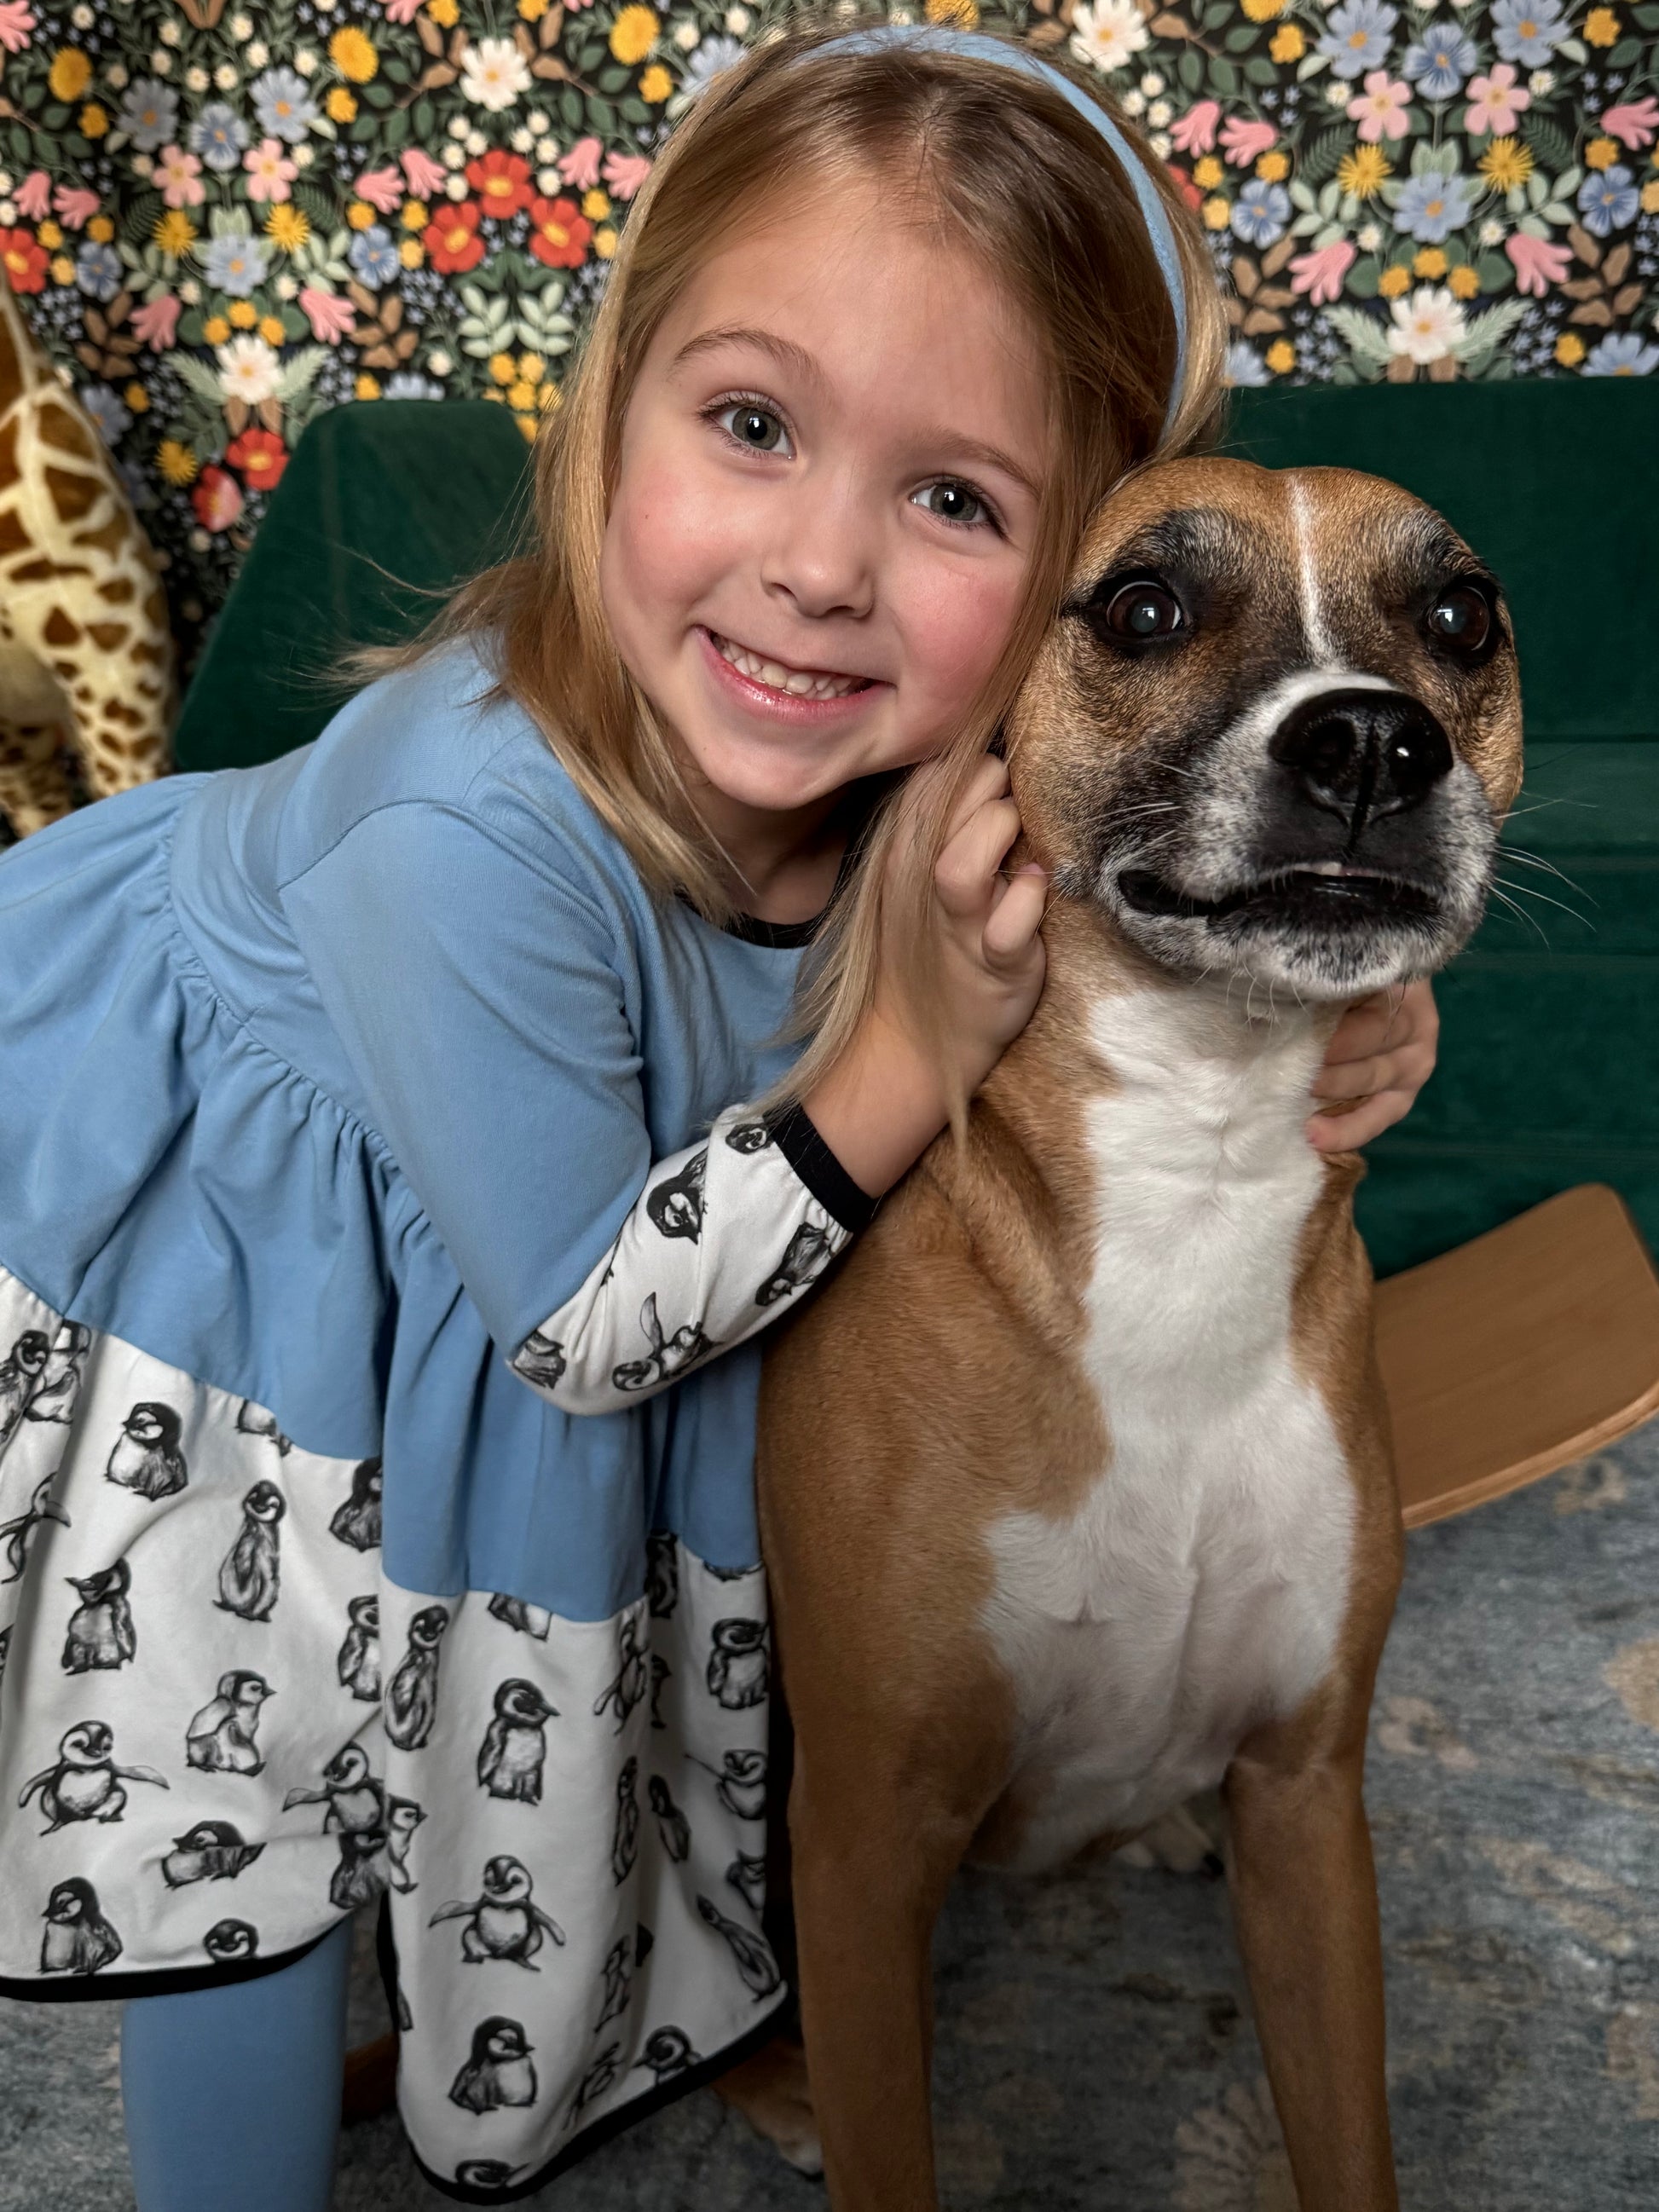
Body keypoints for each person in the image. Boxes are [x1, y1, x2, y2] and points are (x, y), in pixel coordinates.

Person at [0, 20, 1438, 2209]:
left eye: (951, 498)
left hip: (587, 1256)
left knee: (604, 1687)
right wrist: (897, 1065)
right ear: (606, 417)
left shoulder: (933, 778)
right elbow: (588, 1312)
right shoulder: (455, 826)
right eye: (751, 424)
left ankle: (592, 1985)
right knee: (248, 1804)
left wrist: (1351, 1023)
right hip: (251, 1292)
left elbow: (1179, 968)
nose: (821, 566)